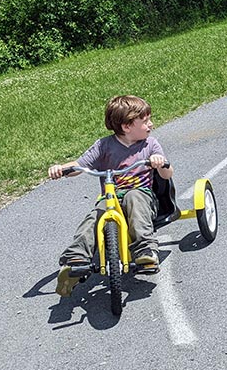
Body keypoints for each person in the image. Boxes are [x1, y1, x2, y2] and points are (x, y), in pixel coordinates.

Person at [49, 95, 173, 296]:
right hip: (110, 199)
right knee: (94, 217)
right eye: (145, 121)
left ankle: (145, 251)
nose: (151, 124)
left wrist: (160, 162)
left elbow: (167, 174)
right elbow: (79, 166)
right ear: (126, 126)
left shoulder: (150, 145)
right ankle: (76, 259)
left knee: (134, 198)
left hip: (140, 195)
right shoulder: (104, 146)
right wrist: (61, 169)